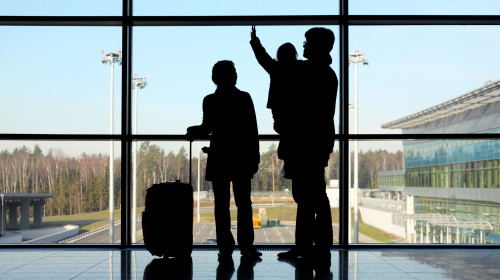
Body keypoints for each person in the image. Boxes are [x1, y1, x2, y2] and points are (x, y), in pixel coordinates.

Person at [251, 27, 338, 260]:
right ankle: (316, 247)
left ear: (317, 46)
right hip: (315, 144)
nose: (303, 46)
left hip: (303, 144)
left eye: (307, 42)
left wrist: (256, 44)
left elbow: (271, 65)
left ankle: (310, 247)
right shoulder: (326, 73)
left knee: (309, 197)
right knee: (313, 196)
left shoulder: (306, 71)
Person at [186, 60, 261, 260]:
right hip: (241, 159)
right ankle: (246, 246)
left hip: (219, 158)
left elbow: (207, 127)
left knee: (221, 206)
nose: (236, 75)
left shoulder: (210, 100)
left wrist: (193, 131)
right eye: (234, 72)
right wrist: (255, 159)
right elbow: (252, 131)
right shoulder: (244, 98)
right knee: (244, 204)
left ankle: (225, 246)